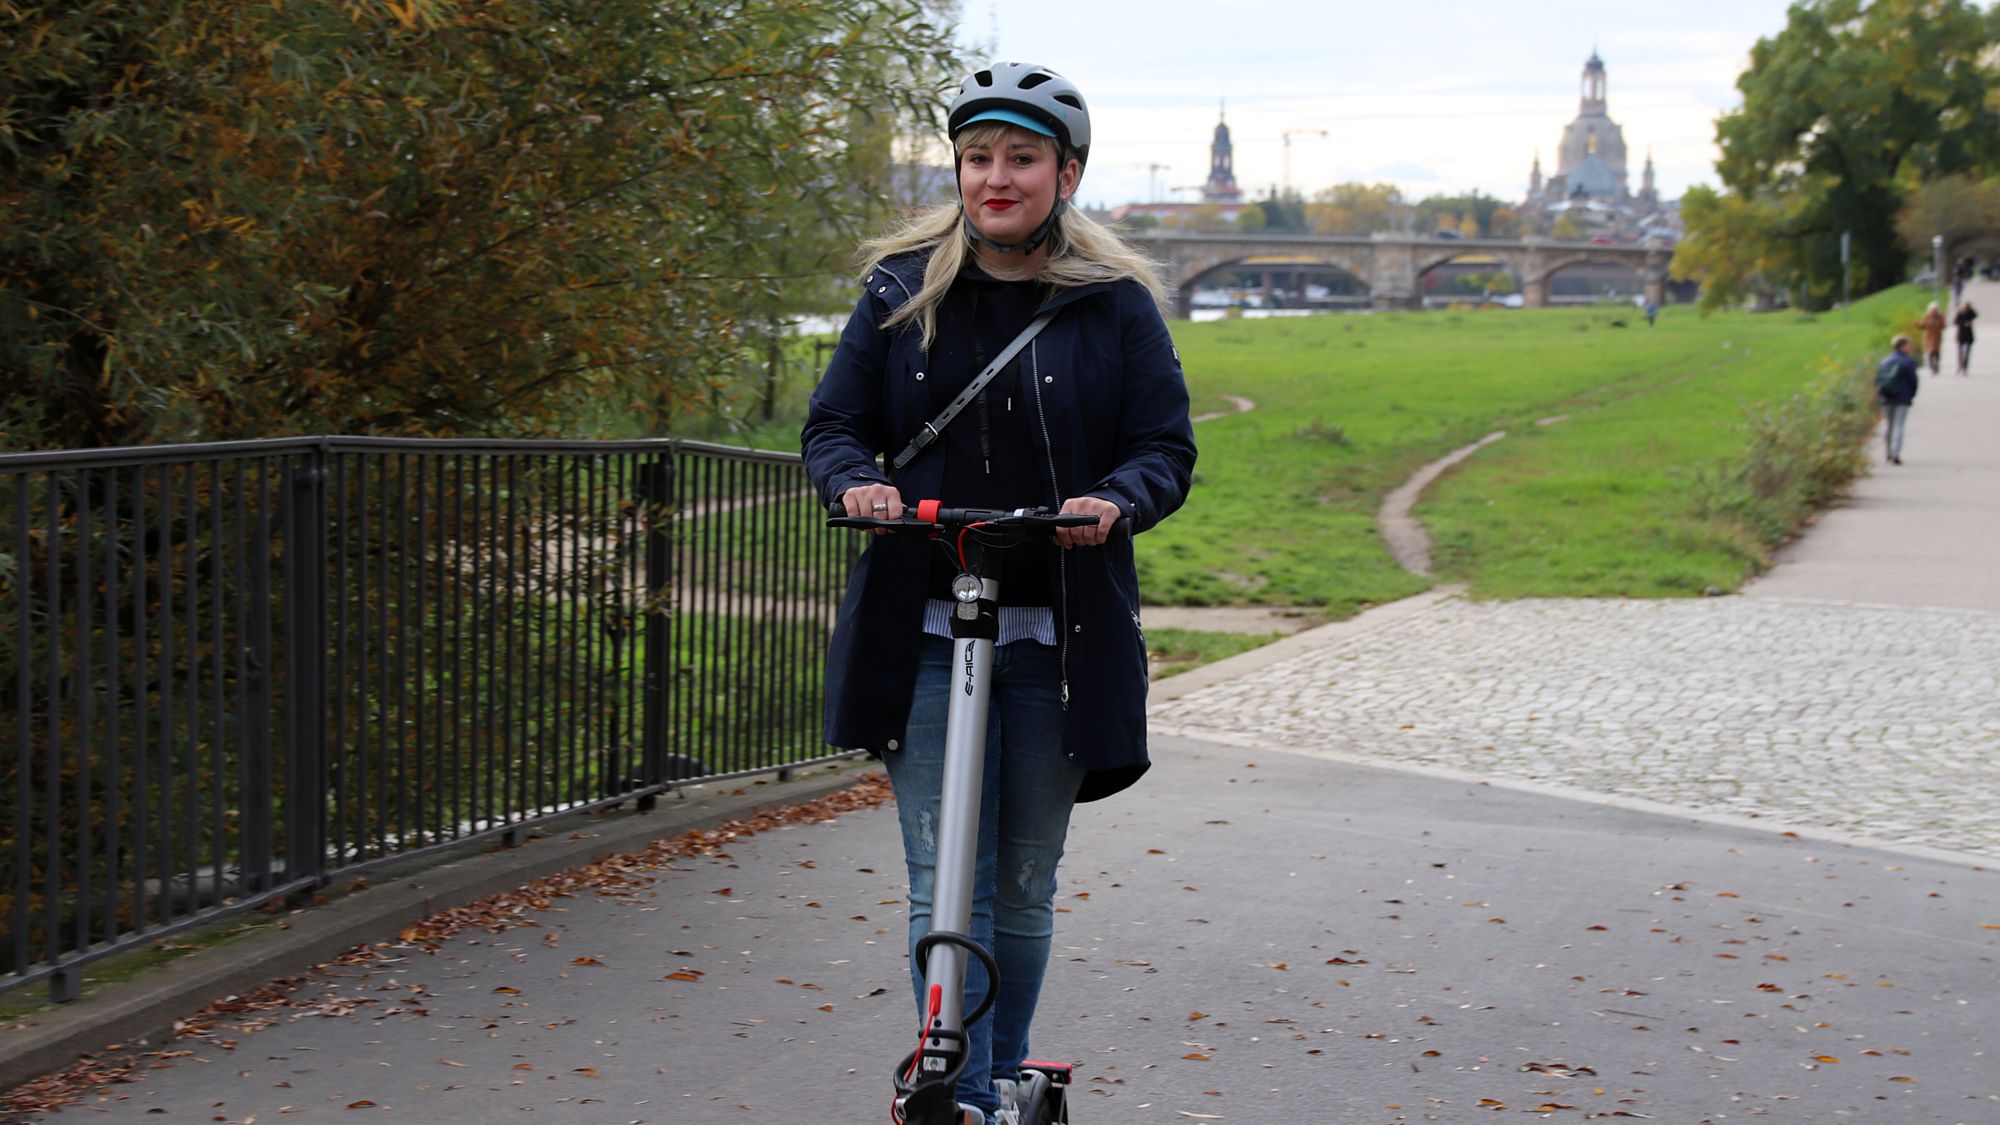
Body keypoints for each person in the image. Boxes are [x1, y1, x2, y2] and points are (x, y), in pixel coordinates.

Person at [801, 62, 1197, 1125]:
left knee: (1018, 882)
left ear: (1064, 173)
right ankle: (961, 1092)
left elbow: (1164, 447)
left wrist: (1115, 501)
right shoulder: (898, 290)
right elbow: (834, 424)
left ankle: (988, 1074)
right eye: (978, 158)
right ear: (960, 170)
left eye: (1020, 159)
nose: (995, 178)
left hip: (1055, 635)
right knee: (944, 870)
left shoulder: (1111, 307)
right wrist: (858, 483)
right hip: (922, 618)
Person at [1875, 334, 1919, 464]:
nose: (1911, 348)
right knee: (1899, 425)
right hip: (1902, 397)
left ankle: (1887, 451)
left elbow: (1878, 379)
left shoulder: (1885, 361)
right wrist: (1911, 395)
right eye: (1909, 345)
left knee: (1888, 425)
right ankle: (1895, 453)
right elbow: (1913, 381)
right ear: (1903, 346)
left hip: (1886, 397)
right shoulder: (1908, 362)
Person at [1918, 301, 1946, 374]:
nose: (1934, 311)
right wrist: (1918, 325)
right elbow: (1923, 325)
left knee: (1936, 352)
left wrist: (1940, 324)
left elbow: (1944, 326)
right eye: (1933, 309)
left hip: (1937, 336)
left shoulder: (1940, 316)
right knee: (1930, 352)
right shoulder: (1927, 316)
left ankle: (1936, 366)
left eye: (1935, 309)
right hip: (1929, 337)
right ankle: (1932, 367)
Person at [1954, 301, 1977, 375]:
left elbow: (1975, 315)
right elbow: (1955, 322)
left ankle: (1965, 366)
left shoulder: (1970, 313)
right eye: (1965, 307)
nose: (1966, 308)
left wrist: (1970, 309)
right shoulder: (1960, 313)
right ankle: (1960, 366)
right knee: (1960, 353)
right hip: (1961, 335)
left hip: (1969, 336)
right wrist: (1964, 323)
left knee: (1967, 353)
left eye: (1967, 307)